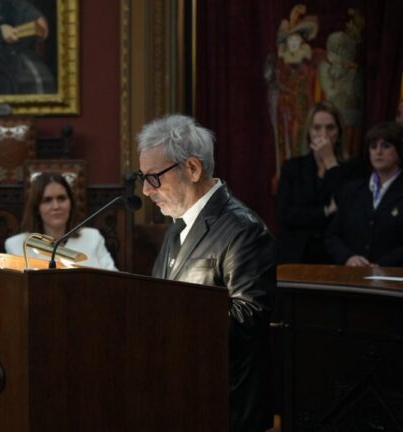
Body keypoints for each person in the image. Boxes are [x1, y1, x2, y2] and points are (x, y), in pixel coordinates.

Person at [137, 114, 273, 432]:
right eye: (141, 177)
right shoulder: (175, 228)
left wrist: (167, 316)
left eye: (154, 177)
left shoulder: (244, 229)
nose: (145, 190)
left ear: (193, 169)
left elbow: (248, 320)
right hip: (180, 393)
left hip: (225, 405)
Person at [276, 101, 362, 264]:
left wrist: (330, 160)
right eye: (317, 128)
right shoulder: (293, 167)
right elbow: (284, 214)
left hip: (334, 256)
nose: (324, 134)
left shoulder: (353, 169)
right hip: (296, 254)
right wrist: (324, 212)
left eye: (330, 128)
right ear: (309, 133)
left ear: (339, 133)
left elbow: (349, 211)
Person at [325, 122, 403, 267]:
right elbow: (332, 236)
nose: (378, 152)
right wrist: (348, 257)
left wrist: (381, 266)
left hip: (393, 280)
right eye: (373, 147)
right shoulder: (351, 190)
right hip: (353, 277)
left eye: (386, 146)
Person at [4, 172, 116, 270]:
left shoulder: (93, 237)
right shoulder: (16, 246)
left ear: (70, 203)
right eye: (47, 200)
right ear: (36, 207)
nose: (56, 206)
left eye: (61, 198)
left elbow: (115, 282)